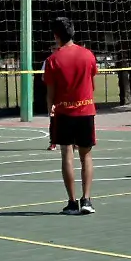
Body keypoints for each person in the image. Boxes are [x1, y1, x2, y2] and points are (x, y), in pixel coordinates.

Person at [43, 17, 98, 215]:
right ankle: (87, 200)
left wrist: (51, 110)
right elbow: (92, 84)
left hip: (64, 113)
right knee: (86, 155)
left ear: (56, 35)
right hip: (85, 110)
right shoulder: (88, 55)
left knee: (67, 155)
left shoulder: (52, 60)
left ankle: (72, 202)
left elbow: (50, 92)